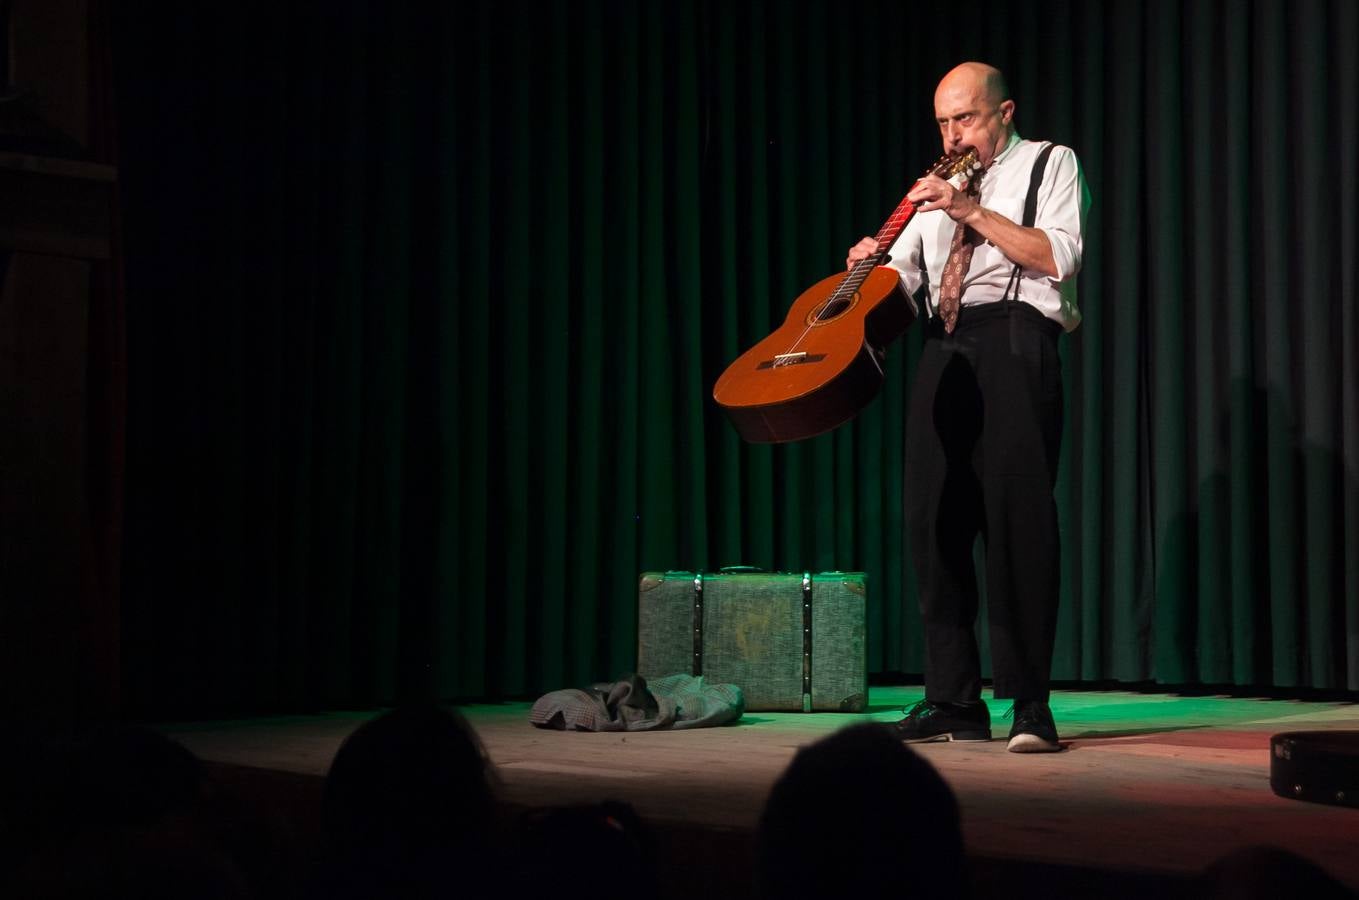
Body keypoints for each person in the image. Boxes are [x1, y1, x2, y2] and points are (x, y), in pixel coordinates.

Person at [847, 62, 1090, 753]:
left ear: (1003, 112)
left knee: (1017, 523)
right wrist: (870, 268)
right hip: (943, 343)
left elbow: (1057, 257)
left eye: (967, 119)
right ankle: (952, 699)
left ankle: (1029, 705)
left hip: (1015, 335)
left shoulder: (1049, 163)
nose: (954, 135)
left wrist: (970, 211)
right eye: (944, 123)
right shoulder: (929, 192)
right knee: (933, 524)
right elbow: (908, 286)